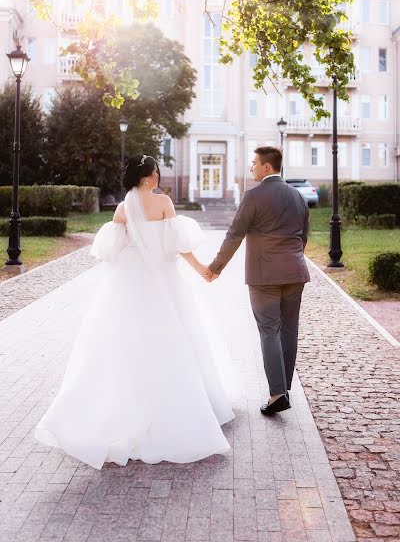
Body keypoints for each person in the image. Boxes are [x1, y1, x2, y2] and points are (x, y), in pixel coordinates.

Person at [34, 155, 235, 469]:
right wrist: (202, 271)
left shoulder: (122, 208)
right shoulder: (164, 203)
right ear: (149, 176)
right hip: (165, 284)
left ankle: (116, 408)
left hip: (129, 284)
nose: (158, 177)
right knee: (175, 342)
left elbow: (109, 252)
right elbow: (179, 246)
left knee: (122, 346)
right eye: (156, 172)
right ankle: (179, 409)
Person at [205, 146, 310, 417]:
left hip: (264, 277)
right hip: (295, 272)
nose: (251, 167)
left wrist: (215, 267)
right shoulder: (298, 196)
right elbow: (303, 236)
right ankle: (284, 389)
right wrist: (293, 260)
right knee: (289, 331)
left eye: (254, 163)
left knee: (269, 330)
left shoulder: (253, 196)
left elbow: (234, 235)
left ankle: (277, 394)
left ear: (266, 167)